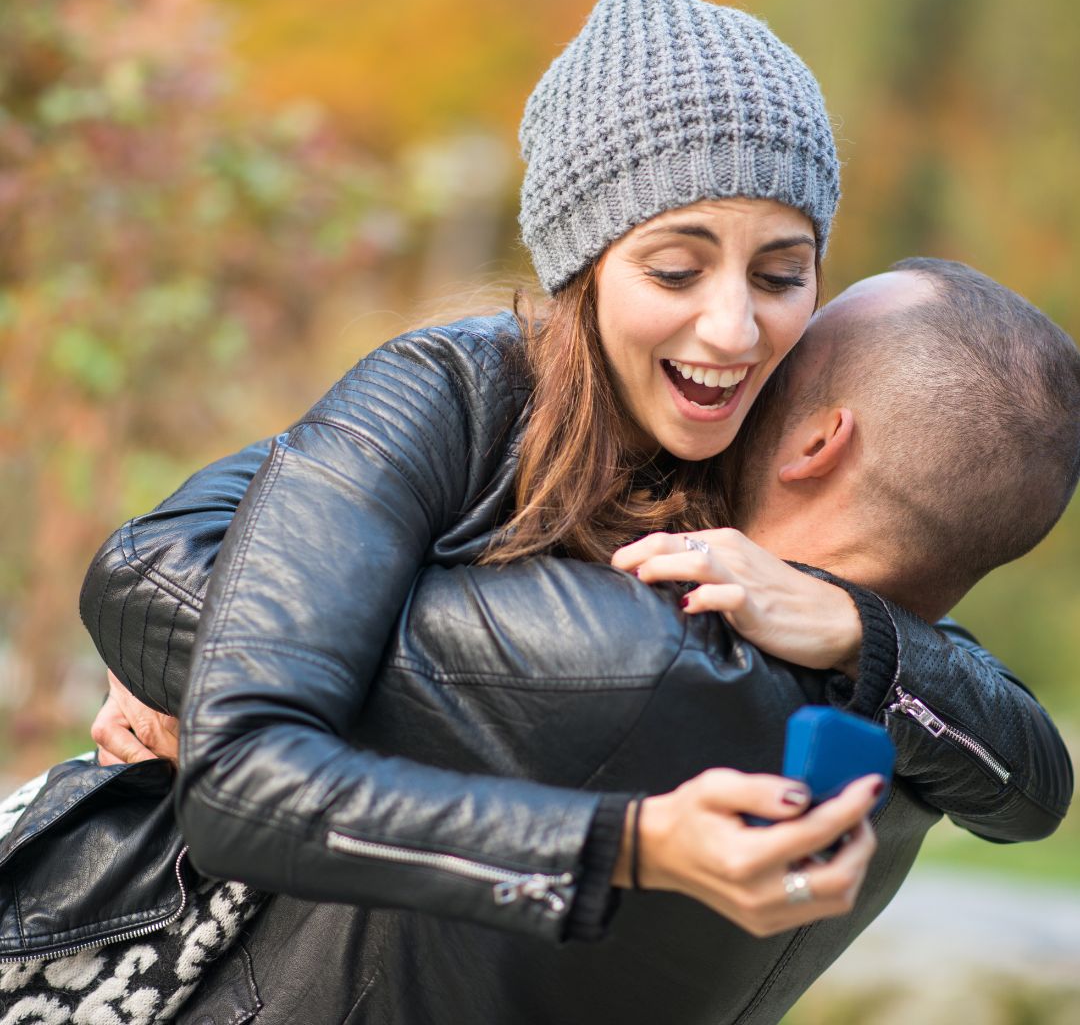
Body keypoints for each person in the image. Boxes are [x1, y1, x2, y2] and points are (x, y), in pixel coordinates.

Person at [3, 260, 1076, 1024]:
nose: (744, 349)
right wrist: (869, 632)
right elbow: (1042, 785)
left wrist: (511, 373)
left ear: (817, 439)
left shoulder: (646, 650)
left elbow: (156, 577)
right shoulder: (915, 737)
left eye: (792, 354)